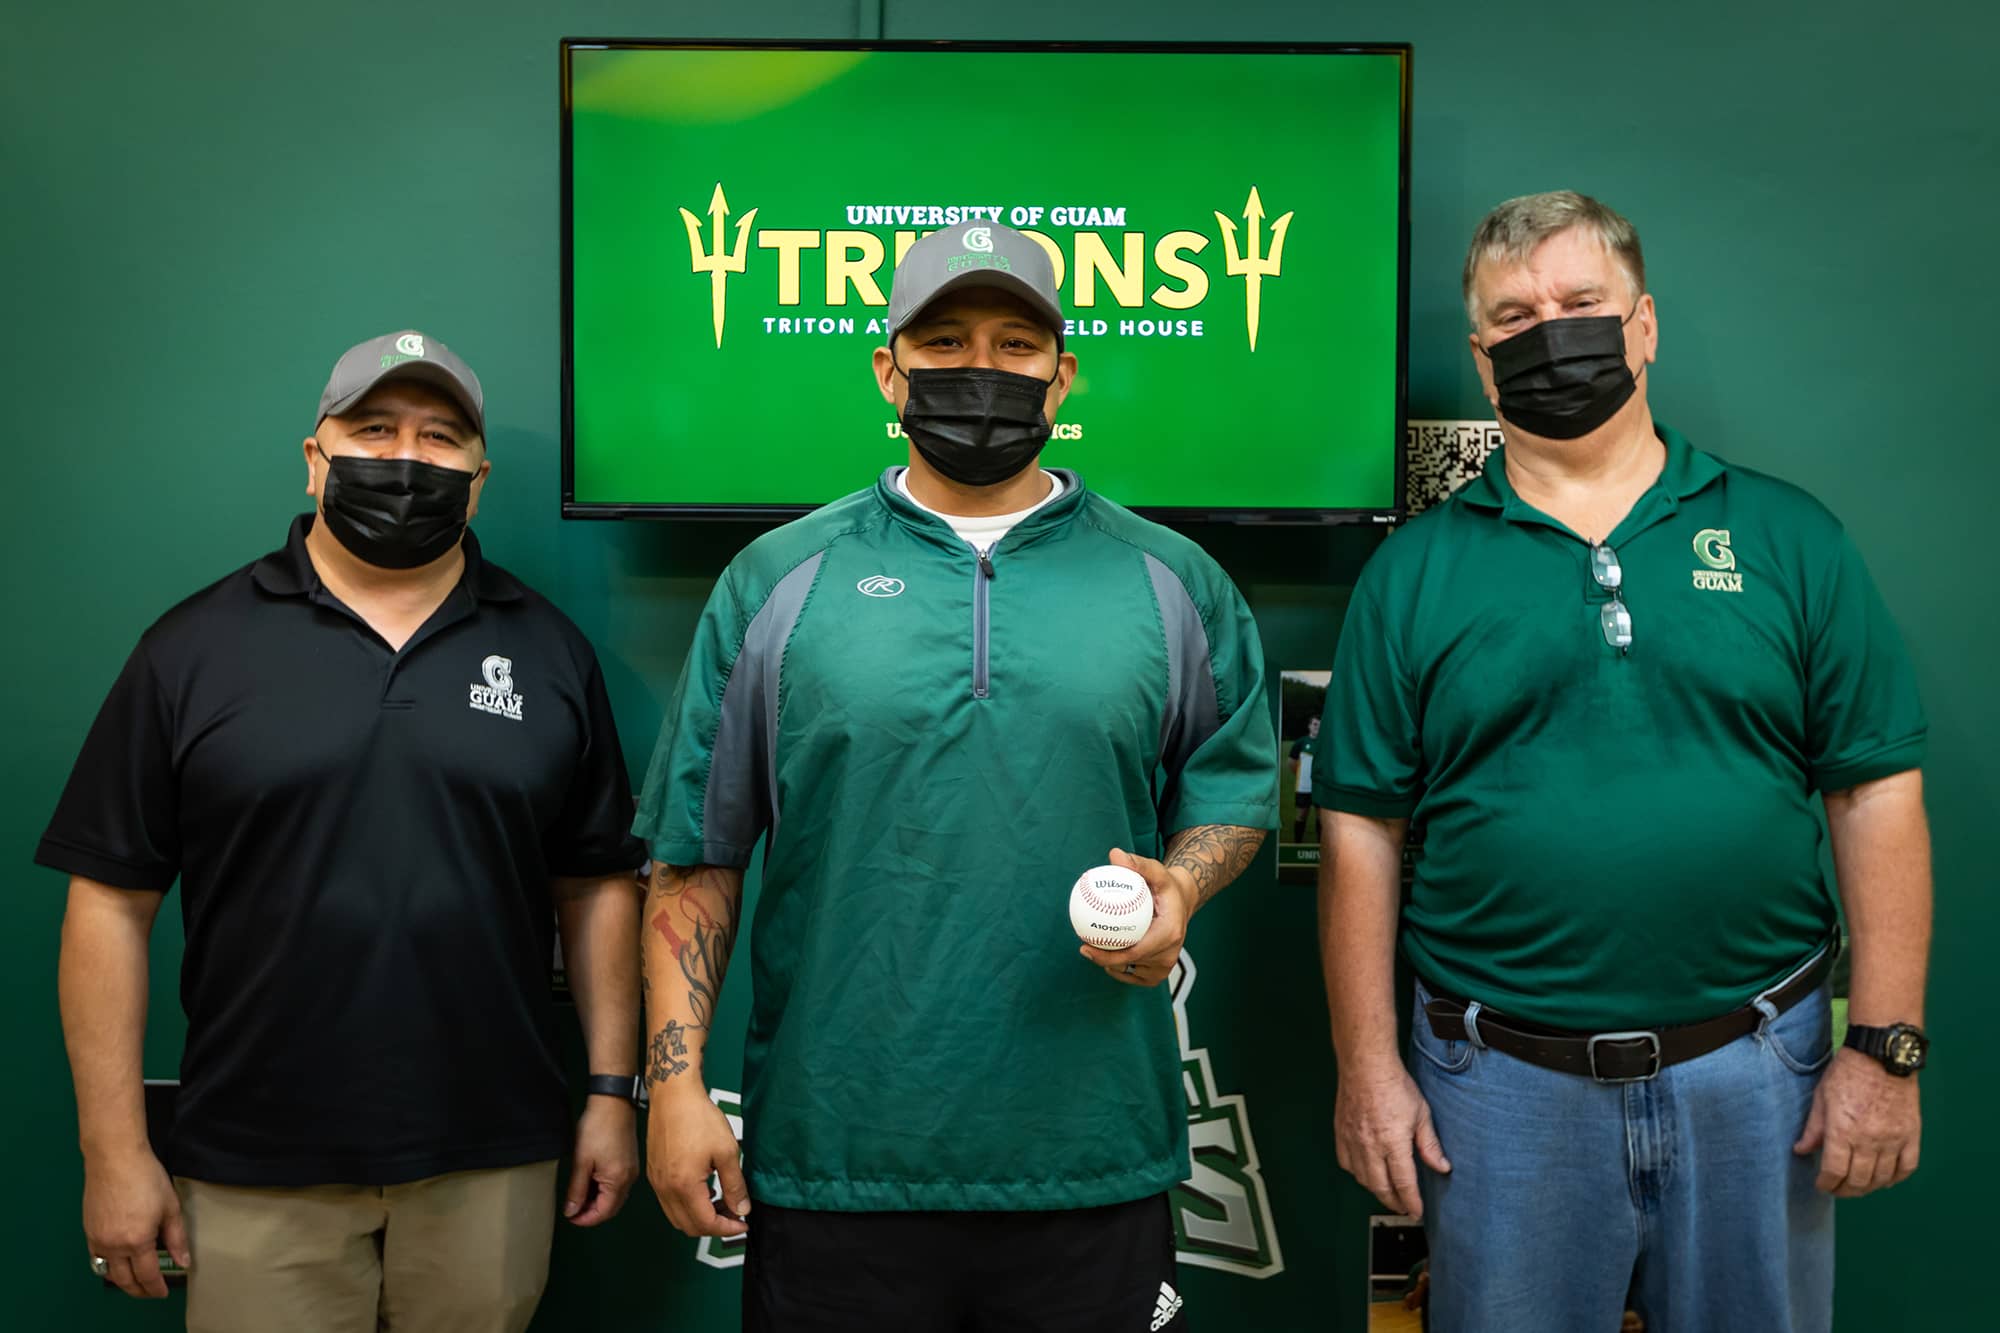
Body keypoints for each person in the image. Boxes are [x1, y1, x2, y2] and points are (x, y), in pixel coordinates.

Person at [636, 222, 1275, 1332]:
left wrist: (1181, 888)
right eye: (942, 340)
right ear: (887, 367)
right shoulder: (779, 579)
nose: (978, 369)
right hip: (836, 1156)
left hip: (1087, 1155)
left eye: (1014, 343)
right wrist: (675, 1086)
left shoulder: (1171, 580)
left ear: (1060, 373)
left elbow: (1227, 792)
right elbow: (697, 854)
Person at [1314, 192, 1930, 1332]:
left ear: (1642, 324)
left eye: (1579, 303)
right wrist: (1368, 1067)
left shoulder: (1786, 536)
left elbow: (1873, 788)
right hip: (1494, 1091)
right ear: (1481, 357)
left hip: (1758, 1073)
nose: (1548, 331)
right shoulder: (1414, 572)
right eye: (1514, 315)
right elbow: (1358, 826)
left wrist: (1882, 1048)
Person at [40, 331, 649, 1332]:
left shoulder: (548, 650)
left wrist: (608, 1092)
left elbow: (595, 885)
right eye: (373, 428)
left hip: (491, 1153)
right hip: (254, 1159)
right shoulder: (192, 648)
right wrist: (112, 1151)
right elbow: (108, 900)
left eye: (439, 437)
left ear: (479, 477)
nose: (405, 457)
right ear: (315, 455)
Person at [1289, 714, 1320, 843]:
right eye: (1315, 724)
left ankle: (1321, 846)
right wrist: (1301, 777)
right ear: (1309, 726)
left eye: (1320, 725)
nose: (1317, 727)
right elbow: (1291, 763)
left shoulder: (1326, 744)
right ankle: (1297, 844)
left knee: (1321, 817)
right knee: (1302, 815)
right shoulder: (1300, 743)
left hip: (1319, 788)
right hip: (1303, 787)